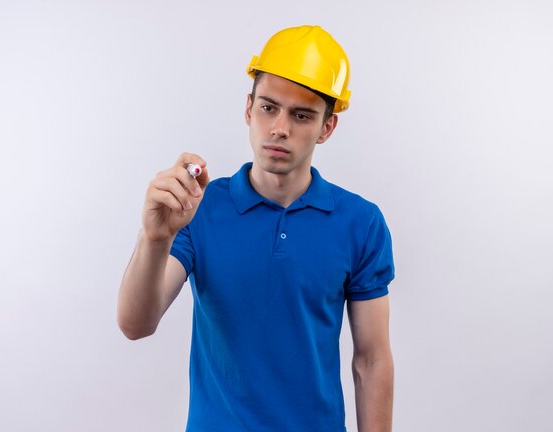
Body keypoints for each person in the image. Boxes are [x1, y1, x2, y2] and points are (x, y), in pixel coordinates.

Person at [118, 25, 395, 432]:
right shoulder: (202, 207)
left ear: (327, 127)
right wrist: (155, 238)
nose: (280, 127)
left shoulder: (360, 222)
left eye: (301, 115)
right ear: (248, 109)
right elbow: (136, 325)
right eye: (269, 107)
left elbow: (371, 361)